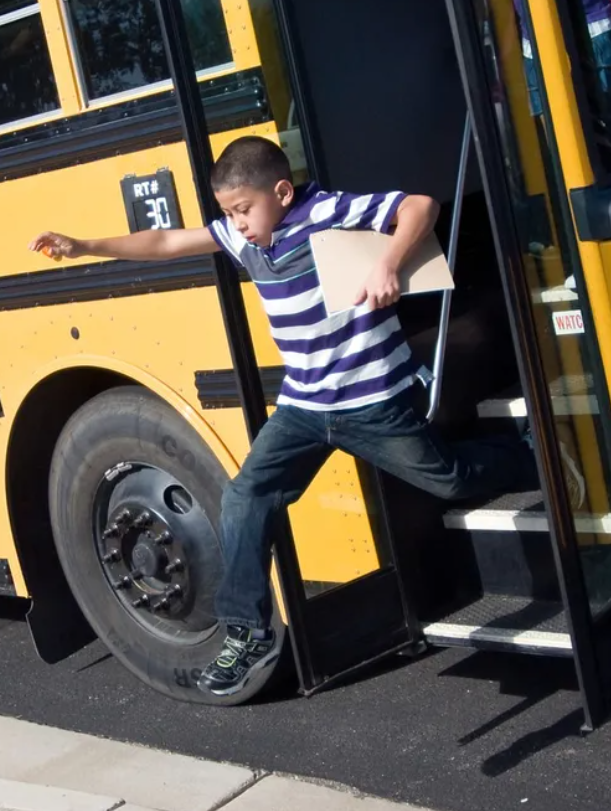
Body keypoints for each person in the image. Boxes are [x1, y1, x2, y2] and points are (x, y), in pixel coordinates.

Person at [28, 135, 558, 698]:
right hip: (303, 408)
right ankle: (247, 631)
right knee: (244, 498)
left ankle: (534, 456)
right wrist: (84, 245)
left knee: (447, 478)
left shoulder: (327, 212)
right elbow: (165, 240)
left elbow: (420, 207)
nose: (237, 223)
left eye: (244, 209)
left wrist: (388, 263)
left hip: (371, 401)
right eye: (229, 213)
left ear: (281, 193)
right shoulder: (241, 238)